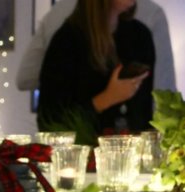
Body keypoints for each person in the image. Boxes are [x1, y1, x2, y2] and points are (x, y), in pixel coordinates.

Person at [36, 0, 156, 142]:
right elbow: (50, 120)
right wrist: (106, 99)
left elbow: (145, 113)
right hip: (85, 155)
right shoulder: (67, 41)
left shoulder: (140, 36)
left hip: (133, 154)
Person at [17, 0, 176, 93]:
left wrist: (66, 86)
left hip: (67, 134)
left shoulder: (57, 12)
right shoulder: (149, 13)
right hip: (125, 137)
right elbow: (164, 91)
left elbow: (25, 78)